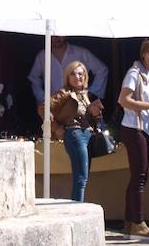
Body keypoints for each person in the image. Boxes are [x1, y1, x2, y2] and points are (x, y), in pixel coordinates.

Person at [117, 38, 149, 238]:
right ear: (143, 53)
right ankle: (138, 222)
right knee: (139, 176)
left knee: (140, 175)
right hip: (132, 128)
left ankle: (130, 221)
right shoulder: (134, 73)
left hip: (145, 128)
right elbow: (124, 100)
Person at [46, 60, 103, 202]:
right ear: (67, 77)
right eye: (73, 74)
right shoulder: (65, 92)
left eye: (81, 73)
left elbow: (91, 118)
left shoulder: (85, 94)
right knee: (81, 178)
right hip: (74, 133)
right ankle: (77, 211)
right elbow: (44, 108)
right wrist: (57, 128)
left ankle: (77, 207)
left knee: (83, 177)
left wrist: (96, 114)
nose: (78, 77)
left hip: (87, 134)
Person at [28, 35, 108, 104]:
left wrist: (92, 92)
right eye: (53, 34)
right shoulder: (42, 56)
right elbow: (34, 78)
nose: (56, 37)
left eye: (60, 33)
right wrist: (42, 98)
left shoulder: (81, 52)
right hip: (54, 106)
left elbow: (102, 70)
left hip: (79, 104)